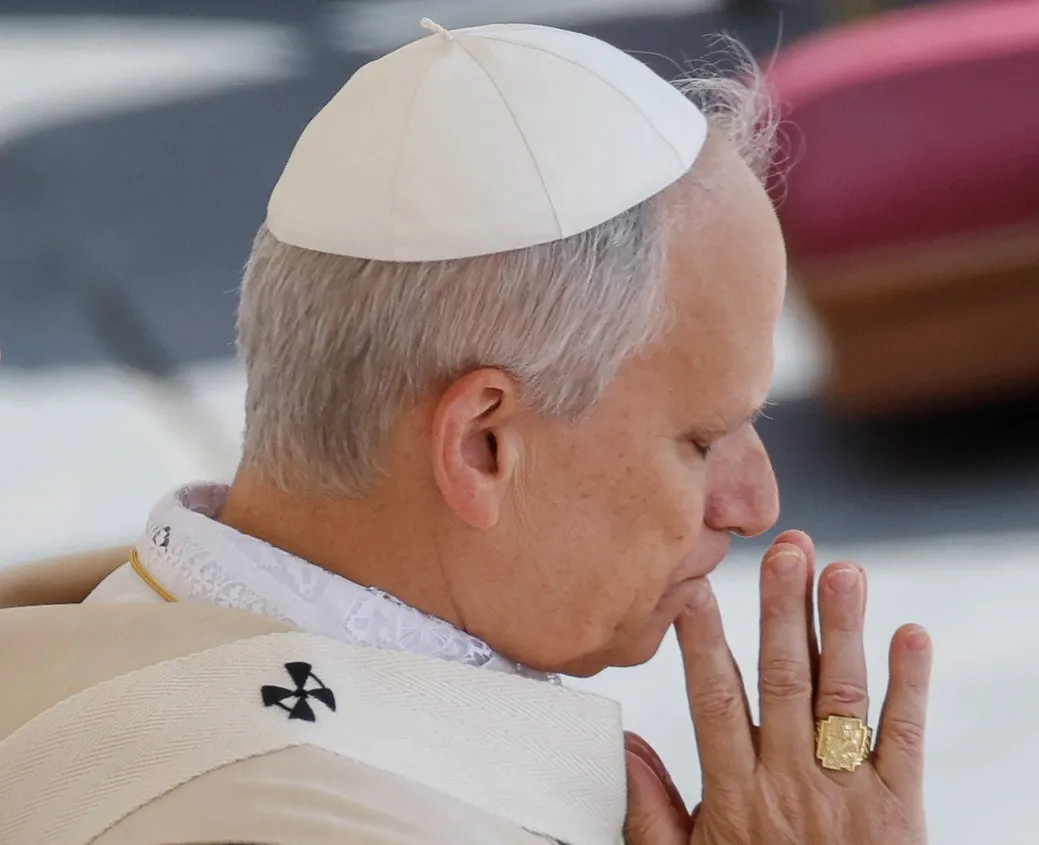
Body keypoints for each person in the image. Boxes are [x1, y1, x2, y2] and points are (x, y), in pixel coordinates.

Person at [0, 19, 933, 845]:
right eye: (702, 438)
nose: (755, 502)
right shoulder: (295, 817)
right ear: (482, 446)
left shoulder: (79, 644)